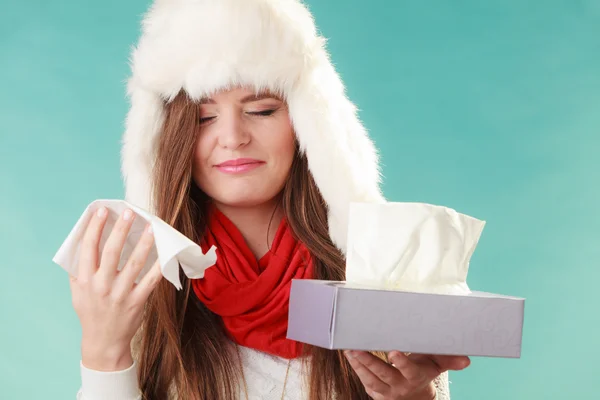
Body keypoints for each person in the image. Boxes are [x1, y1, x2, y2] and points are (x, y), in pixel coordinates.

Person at [69, 0, 471, 399]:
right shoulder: (141, 286)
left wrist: (414, 397)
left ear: (307, 124)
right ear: (170, 137)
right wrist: (104, 353)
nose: (232, 137)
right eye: (204, 118)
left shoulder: (385, 268)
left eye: (261, 110)